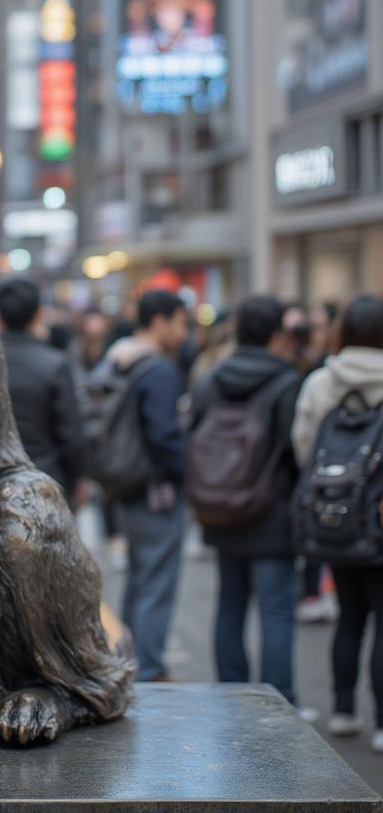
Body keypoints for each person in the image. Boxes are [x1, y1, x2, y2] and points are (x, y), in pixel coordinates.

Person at [189, 295, 304, 706]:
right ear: (277, 334)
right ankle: (278, 701)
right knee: (274, 611)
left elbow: (195, 436)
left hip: (220, 508)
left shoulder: (211, 379)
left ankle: (231, 694)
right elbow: (295, 449)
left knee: (230, 605)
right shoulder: (288, 382)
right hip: (270, 510)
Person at [292, 295, 383, 750]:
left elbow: (303, 448)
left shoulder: (321, 382)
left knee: (350, 615)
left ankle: (344, 709)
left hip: (336, 518)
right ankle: (382, 721)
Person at [104, 289, 189, 682]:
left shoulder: (115, 359)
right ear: (160, 321)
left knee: (139, 579)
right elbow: (164, 435)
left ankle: (128, 659)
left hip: (123, 483)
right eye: (181, 323)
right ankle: (149, 670)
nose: (184, 333)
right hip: (156, 491)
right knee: (156, 583)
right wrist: (184, 473)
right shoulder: (158, 369)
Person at [0, 278, 86, 498]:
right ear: (38, 314)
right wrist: (77, 479)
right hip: (46, 483)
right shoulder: (55, 364)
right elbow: (71, 434)